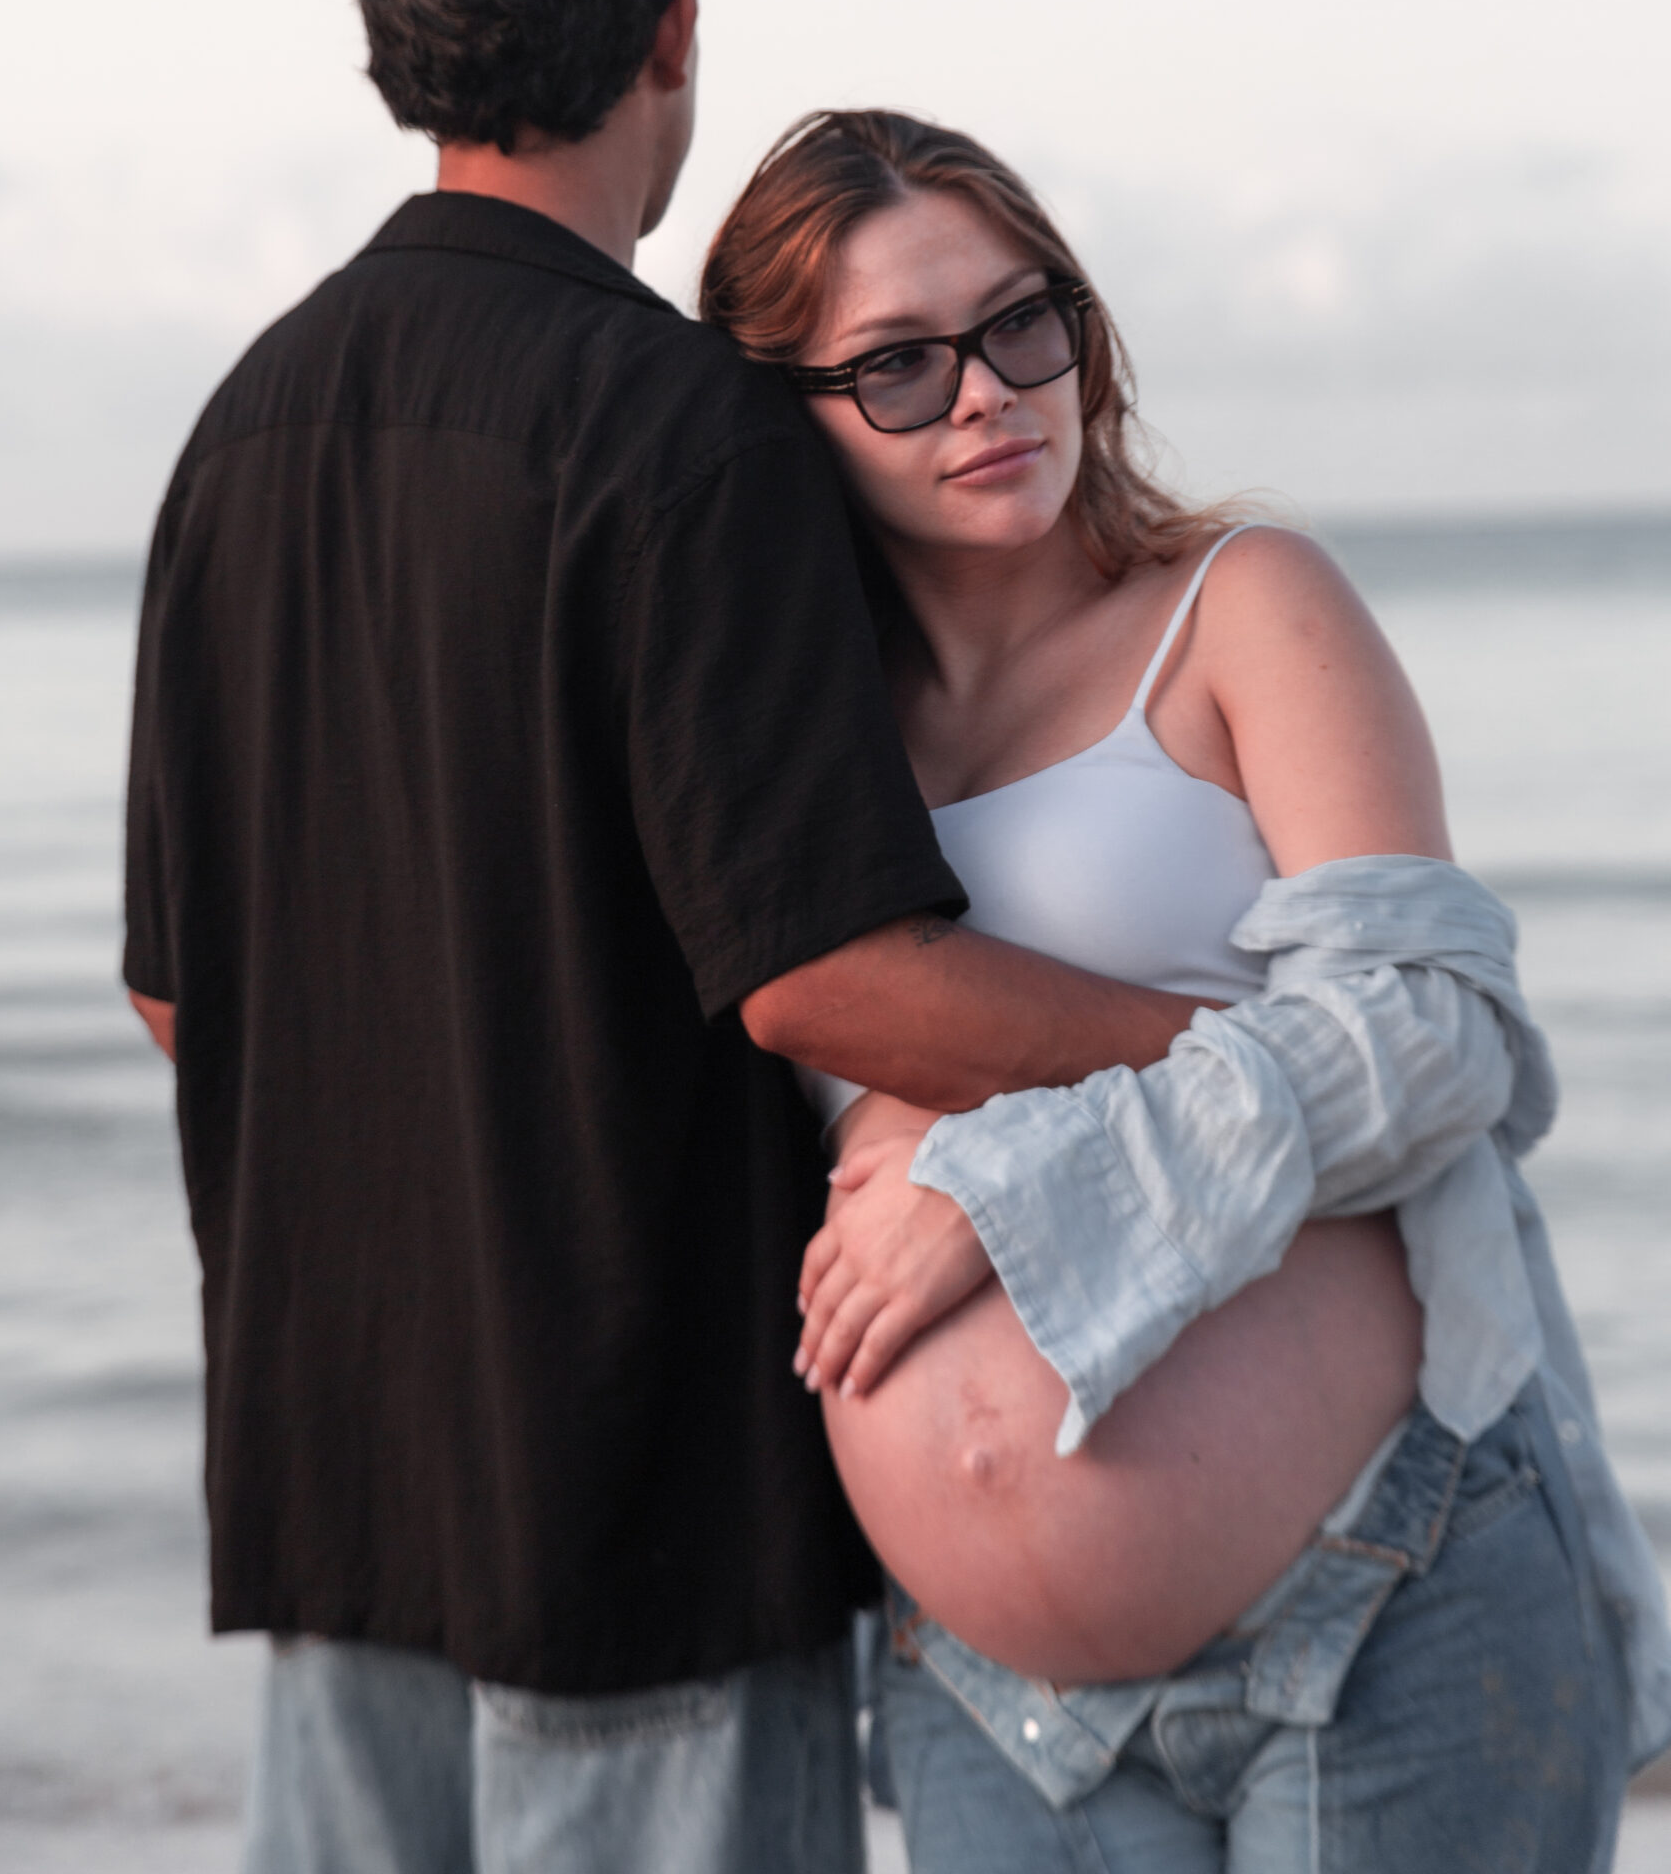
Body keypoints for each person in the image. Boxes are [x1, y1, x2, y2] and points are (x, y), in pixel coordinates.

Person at [121, 0, 1246, 1874]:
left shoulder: (241, 432)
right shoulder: (683, 427)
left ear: (402, 53)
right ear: (672, 32)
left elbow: (183, 996)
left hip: (333, 1448)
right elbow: (825, 967)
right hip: (633, 1457)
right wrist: (1236, 1060)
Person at [702, 108, 1669, 1874]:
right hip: (988, 1690)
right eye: (900, 369)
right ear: (790, 415)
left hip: (1389, 1591)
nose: (989, 393)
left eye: (1020, 322)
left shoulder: (1239, 607)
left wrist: (1007, 1195)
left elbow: (1438, 1040)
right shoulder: (790, 755)